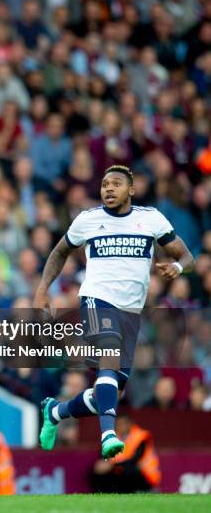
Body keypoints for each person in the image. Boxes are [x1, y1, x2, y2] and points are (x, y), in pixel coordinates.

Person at [34, 165, 195, 459]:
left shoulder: (150, 219)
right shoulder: (87, 220)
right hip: (96, 299)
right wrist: (43, 290)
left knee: (108, 392)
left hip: (131, 312)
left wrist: (178, 267)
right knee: (107, 360)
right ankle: (108, 434)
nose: (108, 188)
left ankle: (55, 411)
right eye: (105, 183)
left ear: (131, 190)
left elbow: (186, 255)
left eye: (116, 184)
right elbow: (59, 252)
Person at [91, 414, 161, 493]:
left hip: (145, 474)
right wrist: (104, 464)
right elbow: (106, 456)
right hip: (120, 469)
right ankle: (103, 495)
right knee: (97, 469)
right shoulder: (114, 437)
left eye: (124, 423)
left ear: (131, 424)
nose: (122, 426)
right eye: (119, 424)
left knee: (129, 470)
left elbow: (134, 460)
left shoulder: (140, 437)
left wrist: (112, 465)